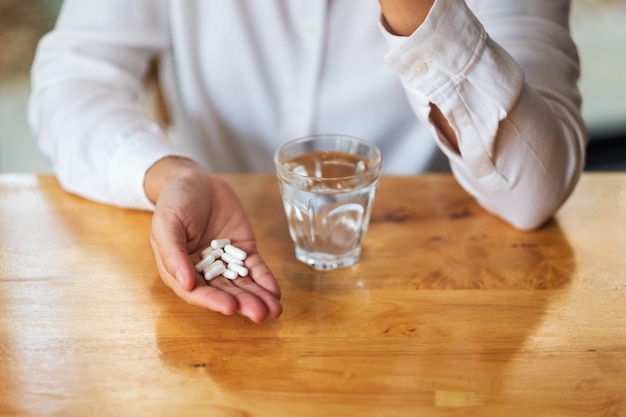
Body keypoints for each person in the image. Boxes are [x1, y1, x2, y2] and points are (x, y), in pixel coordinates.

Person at [28, 0, 587, 323]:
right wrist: (169, 174)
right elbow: (72, 79)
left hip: (439, 296)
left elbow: (532, 188)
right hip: (226, 305)